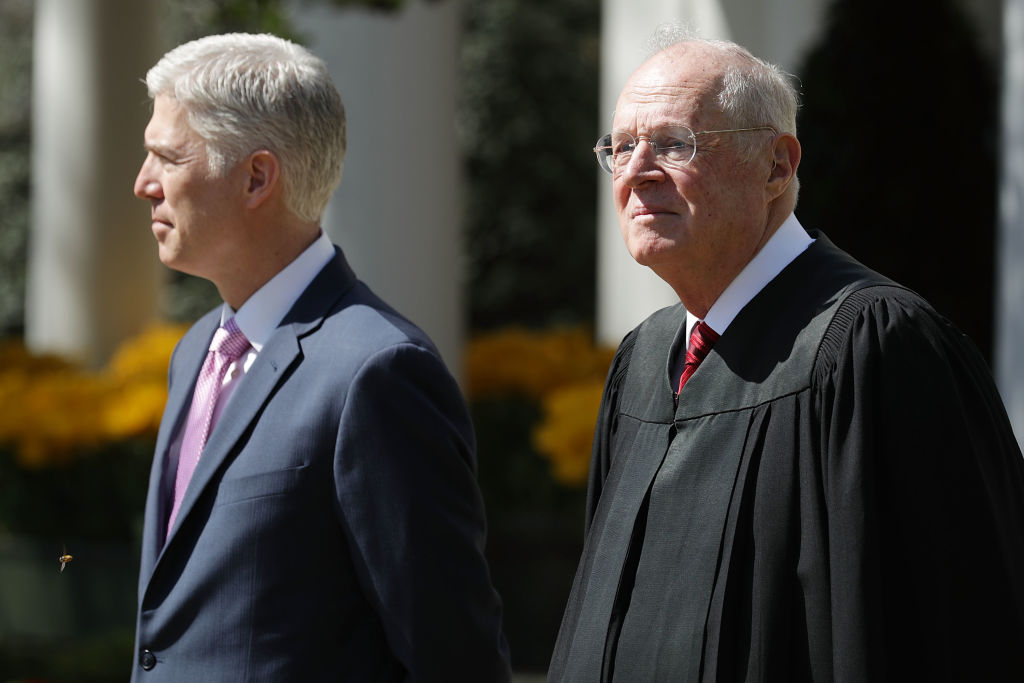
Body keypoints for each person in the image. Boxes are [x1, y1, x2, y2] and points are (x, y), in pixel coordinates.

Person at [550, 29, 1024, 682]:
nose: (635, 171)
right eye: (621, 146)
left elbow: (946, 631)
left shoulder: (875, 349)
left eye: (672, 143)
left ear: (777, 165)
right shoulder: (643, 360)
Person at [129, 33, 510, 681]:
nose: (144, 185)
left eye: (167, 157)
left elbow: (454, 654)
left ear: (256, 177)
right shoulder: (196, 350)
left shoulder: (377, 370)